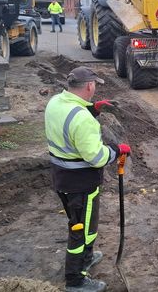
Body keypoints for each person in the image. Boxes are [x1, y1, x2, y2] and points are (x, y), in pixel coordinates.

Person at [45, 66, 131, 292]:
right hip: (81, 184)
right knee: (81, 230)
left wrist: (93, 109)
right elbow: (97, 157)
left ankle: (87, 257)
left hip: (62, 178)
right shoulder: (82, 120)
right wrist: (116, 150)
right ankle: (75, 279)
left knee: (79, 223)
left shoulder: (55, 102)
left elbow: (69, 124)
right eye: (95, 86)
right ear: (90, 86)